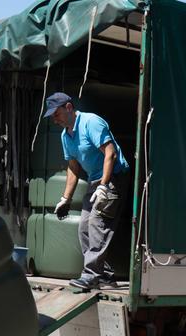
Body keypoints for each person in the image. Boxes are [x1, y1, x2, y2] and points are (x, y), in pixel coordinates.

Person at [45, 92, 130, 290]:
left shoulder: (91, 122)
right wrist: (65, 198)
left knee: (97, 223)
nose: (54, 119)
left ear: (68, 107)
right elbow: (73, 167)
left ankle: (91, 275)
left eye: (55, 114)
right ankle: (105, 276)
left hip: (114, 177)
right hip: (95, 180)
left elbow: (110, 153)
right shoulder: (66, 135)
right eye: (51, 116)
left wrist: (104, 186)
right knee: (83, 226)